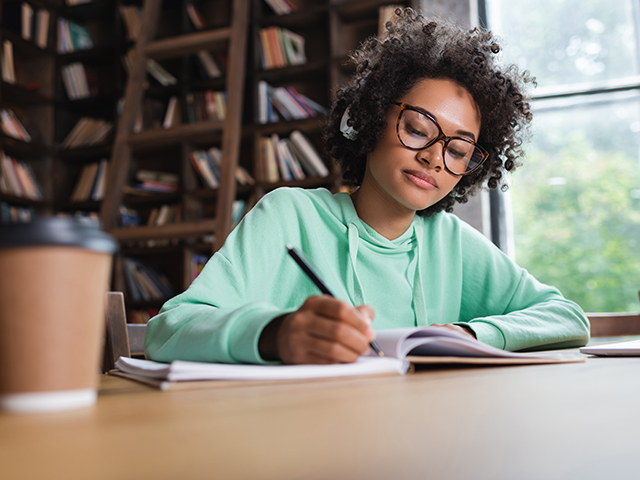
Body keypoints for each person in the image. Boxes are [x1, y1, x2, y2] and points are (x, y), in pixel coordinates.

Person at [144, 9, 590, 365]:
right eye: (418, 129)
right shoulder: (288, 217)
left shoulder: (451, 242)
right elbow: (169, 330)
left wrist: (470, 333)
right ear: (371, 119)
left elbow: (566, 317)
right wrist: (276, 335)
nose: (435, 156)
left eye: (458, 150)